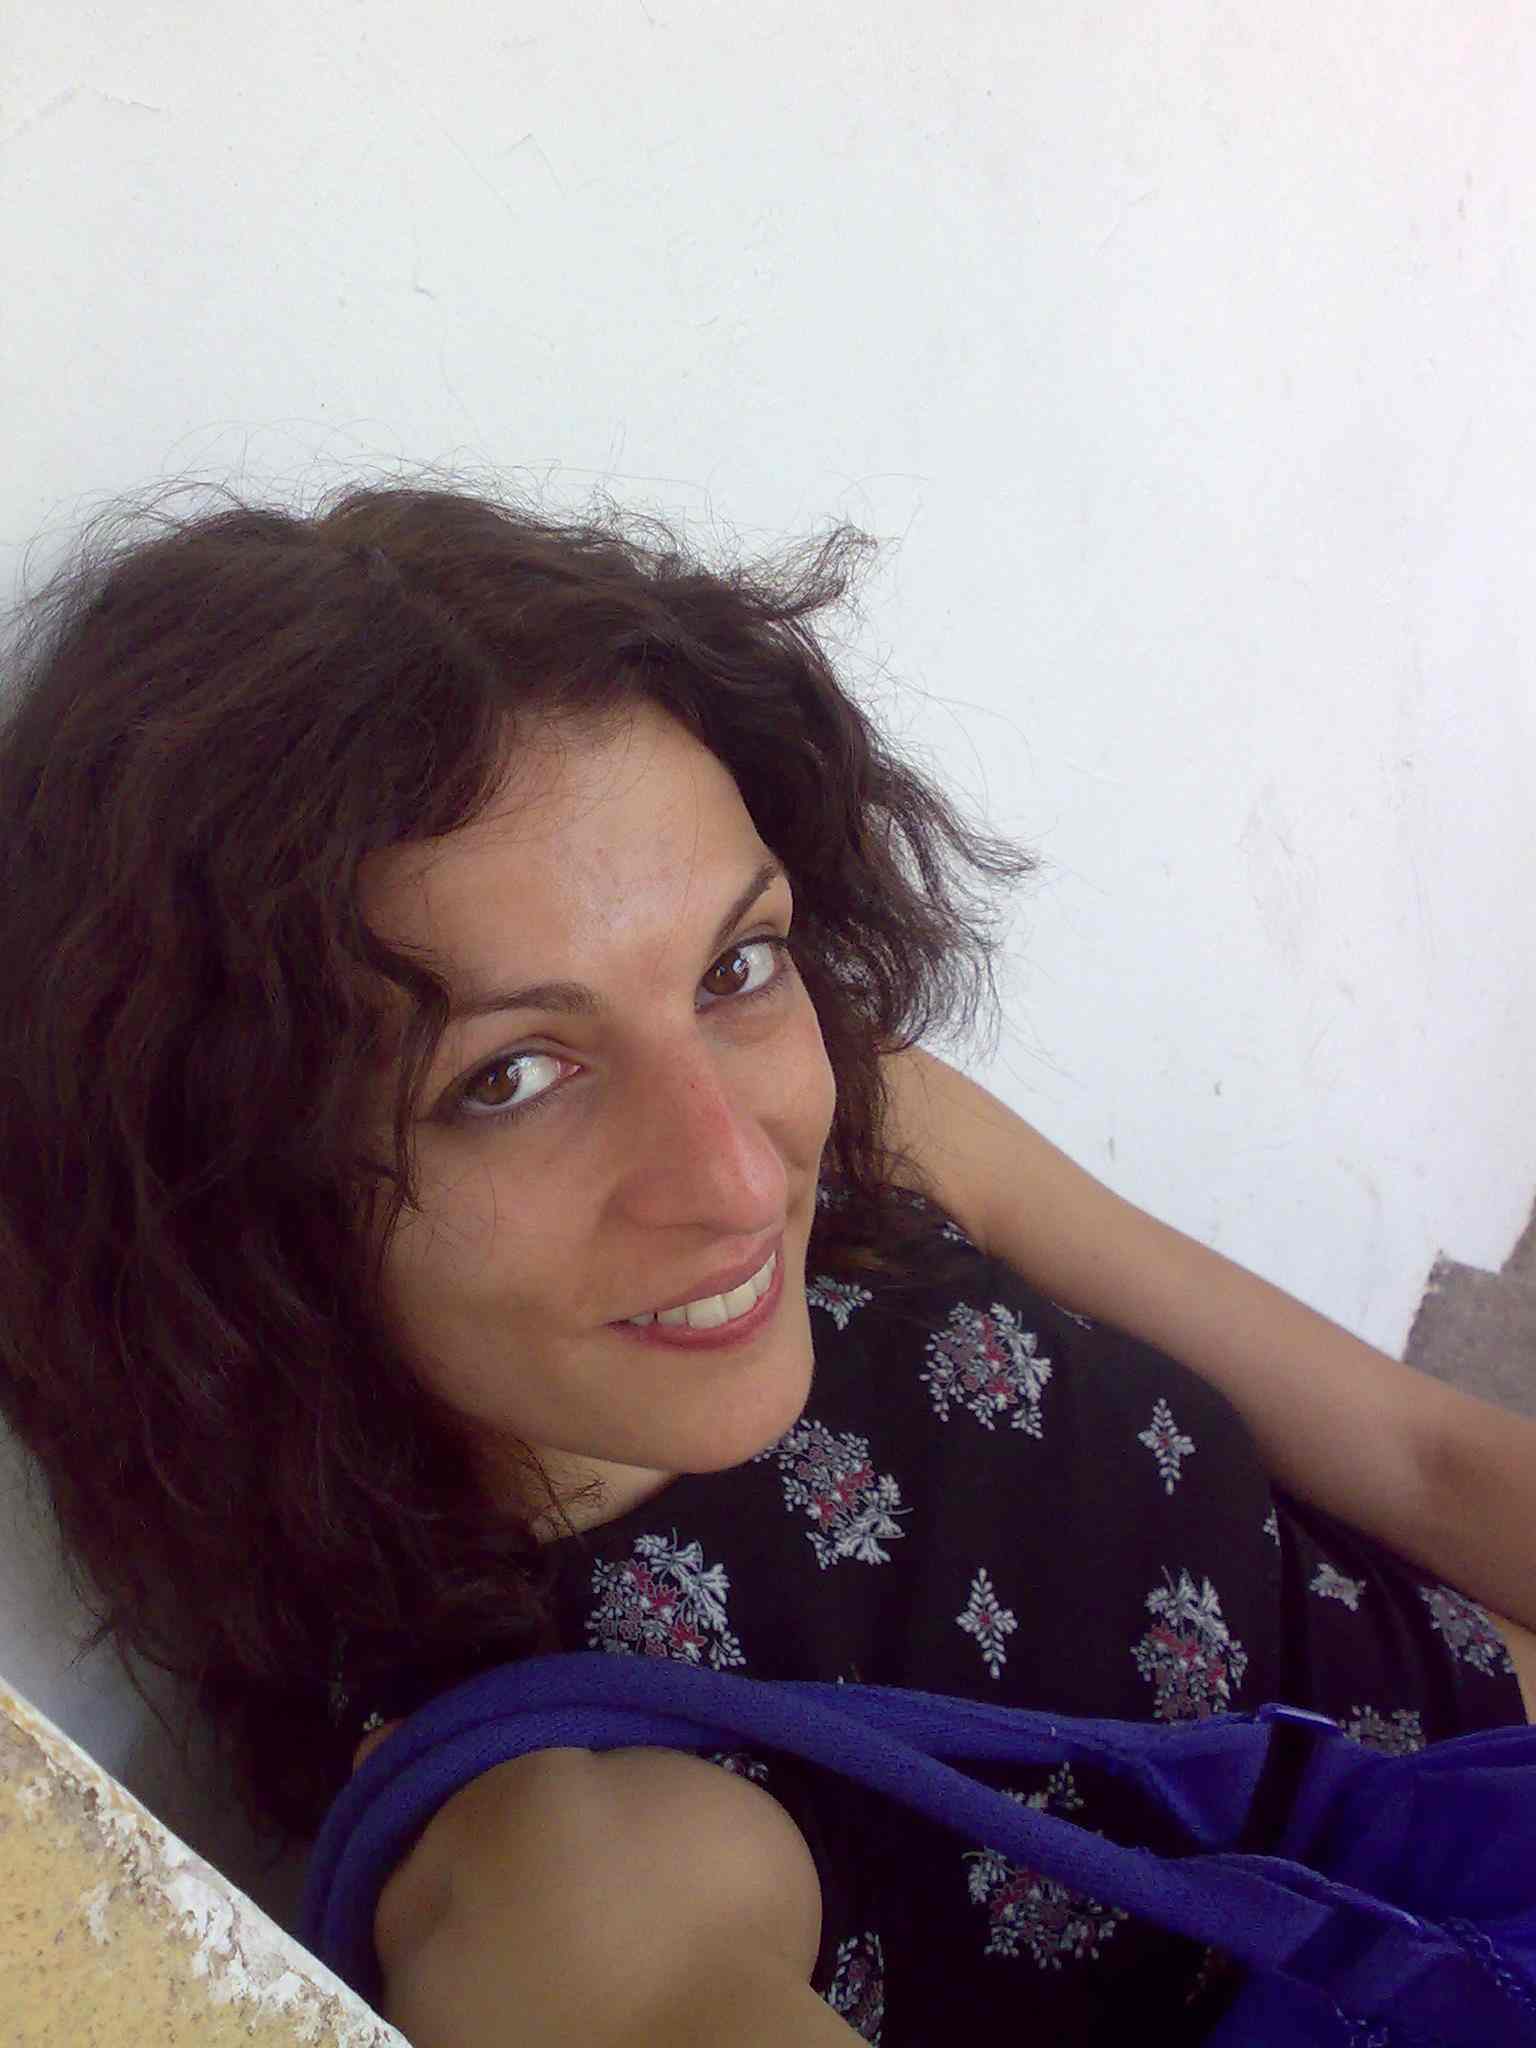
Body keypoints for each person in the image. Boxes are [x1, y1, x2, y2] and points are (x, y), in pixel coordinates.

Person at [1, 478, 1532, 2045]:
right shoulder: (557, 1844)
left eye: (735, 965)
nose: (740, 1175)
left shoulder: (876, 1132)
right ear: (240, 1208)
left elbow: (1421, 1453)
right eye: (508, 1076)